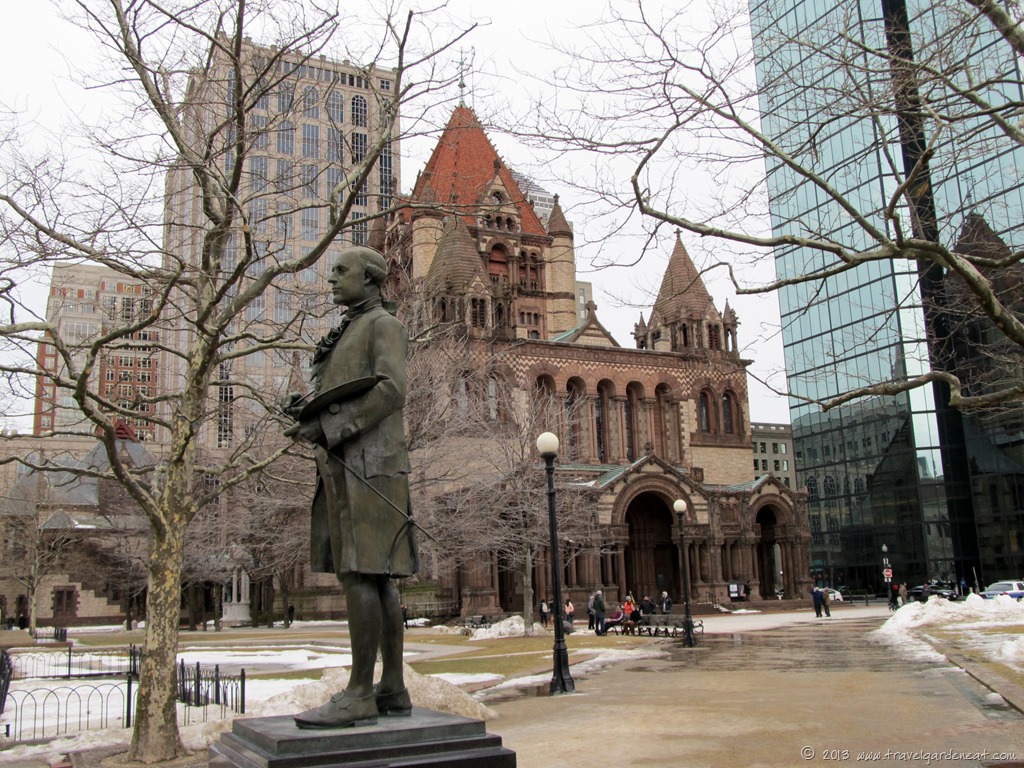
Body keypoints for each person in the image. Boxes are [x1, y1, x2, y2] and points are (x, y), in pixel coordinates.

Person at [283, 246, 419, 729]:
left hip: (370, 465)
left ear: (371, 279)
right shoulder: (352, 328)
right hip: (349, 464)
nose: (332, 280)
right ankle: (392, 688)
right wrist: (311, 411)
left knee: (362, 573)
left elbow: (390, 388)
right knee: (372, 575)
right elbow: (350, 387)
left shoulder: (383, 324)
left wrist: (331, 424)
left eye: (341, 272)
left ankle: (361, 693)